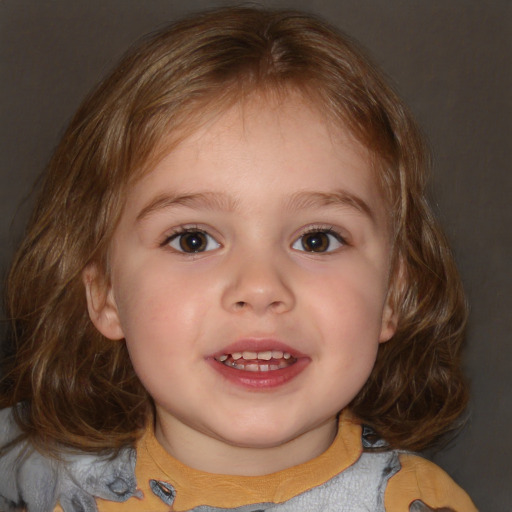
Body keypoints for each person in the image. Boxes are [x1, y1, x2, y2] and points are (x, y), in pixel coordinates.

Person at [0, 6, 477, 512]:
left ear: (394, 294)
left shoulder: (422, 503)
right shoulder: (48, 467)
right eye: (192, 241)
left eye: (317, 240)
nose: (259, 286)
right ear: (105, 294)